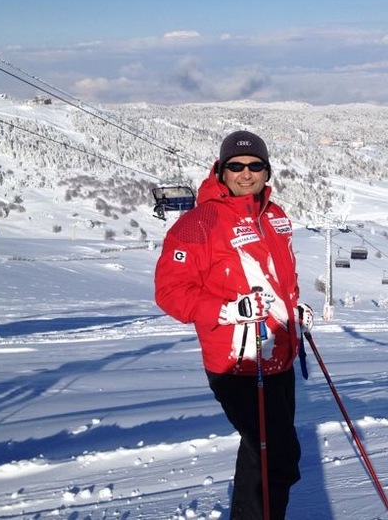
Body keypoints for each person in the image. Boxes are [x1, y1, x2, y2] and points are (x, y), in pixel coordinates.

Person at [155, 129, 314, 519]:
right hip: (236, 363)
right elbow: (170, 292)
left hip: (280, 356)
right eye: (236, 166)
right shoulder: (198, 223)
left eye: (255, 165)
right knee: (275, 459)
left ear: (267, 170)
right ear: (221, 170)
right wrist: (226, 310)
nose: (246, 173)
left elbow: (280, 280)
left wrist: (291, 311)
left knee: (263, 455)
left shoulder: (275, 216)